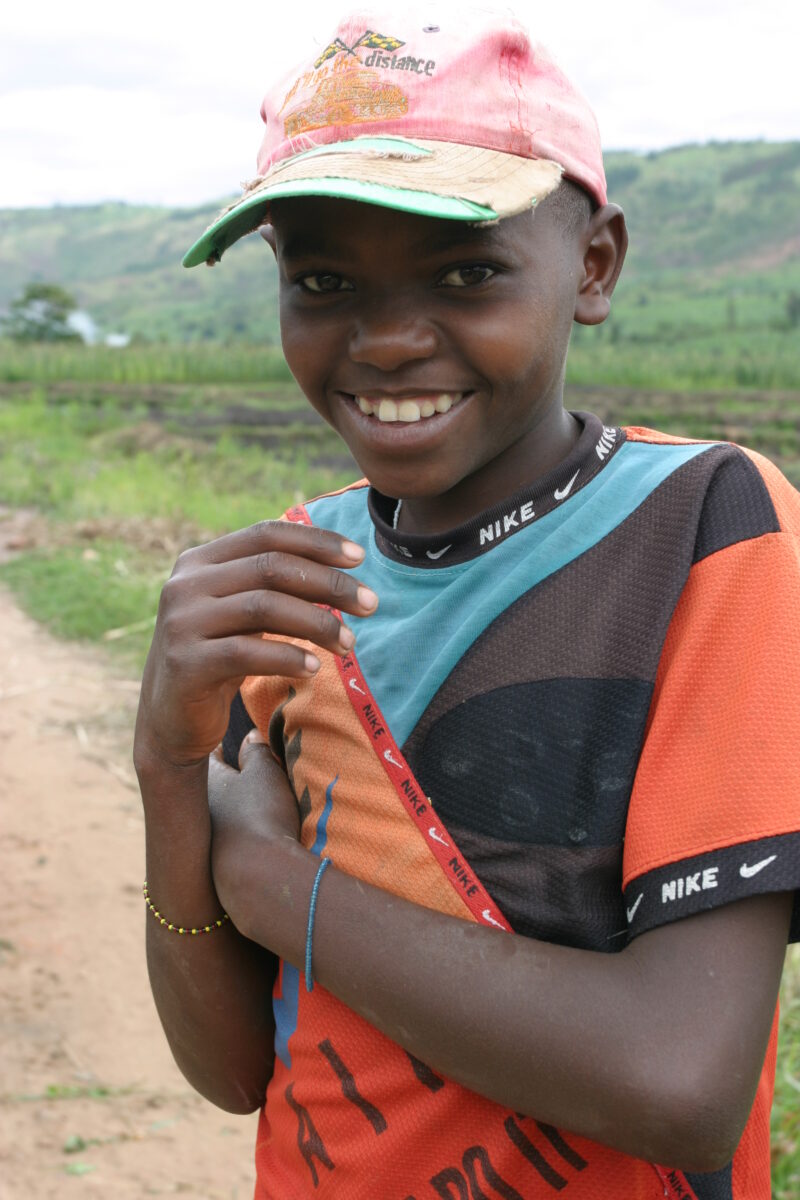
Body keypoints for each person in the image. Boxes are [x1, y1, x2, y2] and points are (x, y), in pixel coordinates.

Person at [133, 7, 800, 1198]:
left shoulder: (705, 530)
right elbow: (235, 1067)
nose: (385, 340)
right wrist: (167, 772)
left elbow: (675, 1082)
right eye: (322, 280)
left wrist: (271, 883)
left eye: (466, 271)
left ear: (591, 265)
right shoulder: (298, 570)